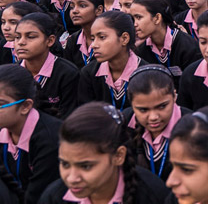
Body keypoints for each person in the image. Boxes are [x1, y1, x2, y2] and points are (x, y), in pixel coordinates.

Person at [37, 102, 173, 204]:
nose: (72, 178)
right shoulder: (54, 197)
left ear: (118, 156)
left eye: (86, 166)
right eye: (65, 164)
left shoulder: (153, 195)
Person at [0, 64, 62, 204]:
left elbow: (38, 196)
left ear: (26, 106)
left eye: (0, 104)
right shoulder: (4, 128)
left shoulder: (51, 140)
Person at [123, 64, 189, 182]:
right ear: (132, 105)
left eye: (162, 106)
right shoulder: (125, 123)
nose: (153, 117)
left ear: (174, 96)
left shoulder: (192, 126)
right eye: (143, 110)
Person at [77, 11, 146, 110]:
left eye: (102, 37)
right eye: (93, 38)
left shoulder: (146, 74)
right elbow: (87, 115)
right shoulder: (89, 73)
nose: (94, 45)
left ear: (124, 38)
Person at [15, 13, 79, 119]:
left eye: (30, 37)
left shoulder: (67, 73)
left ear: (50, 41)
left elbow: (68, 116)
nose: (21, 42)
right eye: (17, 37)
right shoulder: (13, 73)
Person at [131, 0, 201, 79]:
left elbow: (194, 83)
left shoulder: (187, 47)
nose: (134, 24)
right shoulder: (140, 48)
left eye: (139, 17)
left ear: (157, 18)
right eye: (133, 18)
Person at [62, 0, 104, 68]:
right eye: (72, 7)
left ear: (99, 10)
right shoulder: (72, 41)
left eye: (82, 6)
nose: (74, 11)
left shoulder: (109, 39)